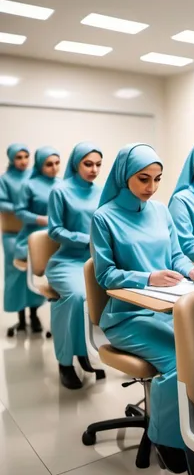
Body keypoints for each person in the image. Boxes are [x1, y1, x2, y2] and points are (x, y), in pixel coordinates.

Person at [91, 143, 194, 472]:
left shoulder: (161, 211)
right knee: (181, 363)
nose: (151, 188)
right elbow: (105, 274)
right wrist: (148, 277)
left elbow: (177, 254)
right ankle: (166, 439)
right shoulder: (104, 217)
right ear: (125, 176)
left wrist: (189, 269)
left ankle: (193, 426)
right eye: (143, 179)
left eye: (157, 179)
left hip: (167, 311)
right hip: (126, 317)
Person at [46, 142, 104, 389]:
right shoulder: (60, 191)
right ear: (76, 164)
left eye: (98, 164)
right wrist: (86, 240)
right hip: (67, 261)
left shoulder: (102, 192)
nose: (93, 169)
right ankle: (65, 361)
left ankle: (84, 352)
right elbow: (54, 230)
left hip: (95, 261)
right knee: (78, 295)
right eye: (88, 164)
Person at [12, 146, 61, 332]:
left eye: (57, 163)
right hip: (31, 238)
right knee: (31, 274)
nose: (54, 168)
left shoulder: (62, 184)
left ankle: (52, 319)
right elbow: (19, 212)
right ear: (40, 165)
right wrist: (41, 219)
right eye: (49, 164)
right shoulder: (29, 185)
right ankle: (26, 317)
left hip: (56, 237)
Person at [0, 144, 39, 334]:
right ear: (12, 159)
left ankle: (34, 315)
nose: (23, 161)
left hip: (33, 233)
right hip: (12, 234)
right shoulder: (5, 179)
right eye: (19, 157)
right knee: (15, 274)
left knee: (34, 272)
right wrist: (21, 208)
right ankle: (21, 319)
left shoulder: (34, 176)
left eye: (26, 156)